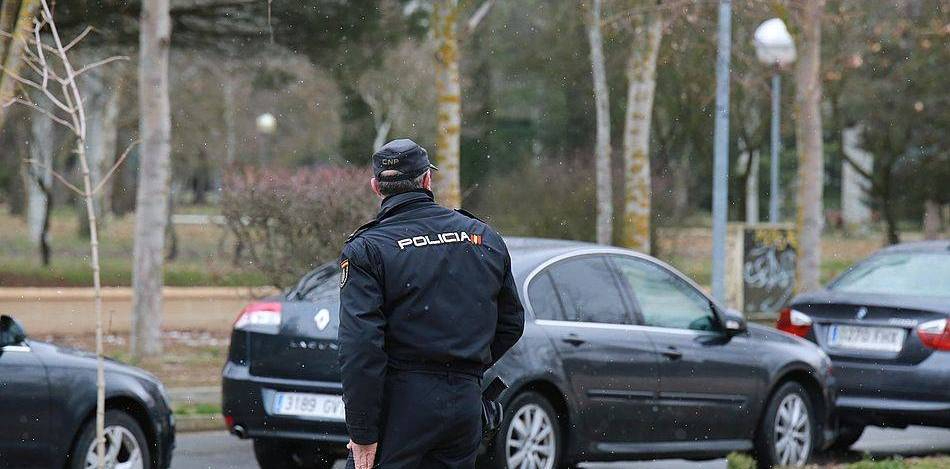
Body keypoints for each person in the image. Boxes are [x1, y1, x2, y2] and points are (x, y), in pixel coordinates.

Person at [338, 138, 525, 469]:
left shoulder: (368, 249)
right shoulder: (481, 237)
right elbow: (511, 322)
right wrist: (464, 363)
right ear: (427, 180)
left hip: (404, 403)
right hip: (464, 405)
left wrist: (364, 433)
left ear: (376, 187)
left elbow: (361, 349)